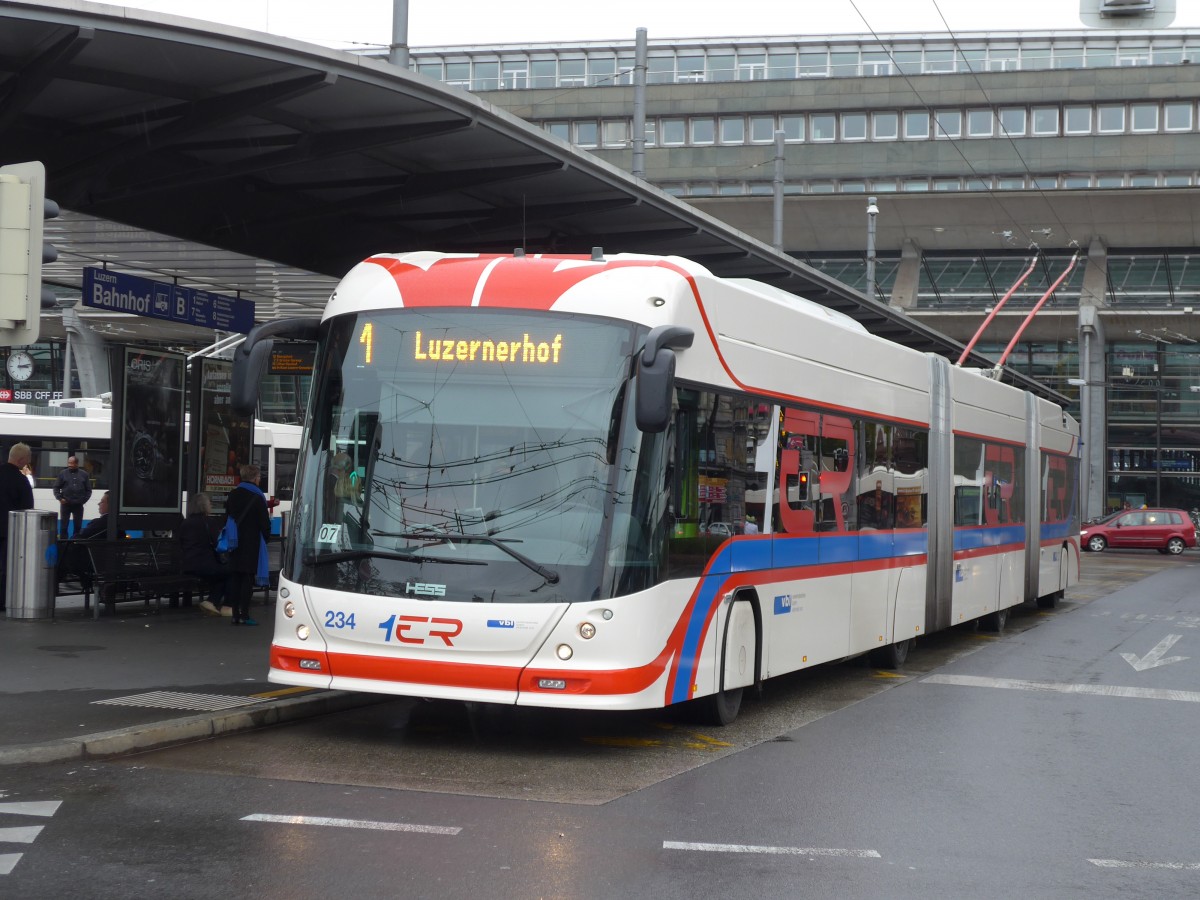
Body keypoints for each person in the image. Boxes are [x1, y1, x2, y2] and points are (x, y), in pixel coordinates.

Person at [224, 464, 271, 626]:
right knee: (247, 579)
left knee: (236, 578)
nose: (259, 480)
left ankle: (235, 614)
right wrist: (266, 537)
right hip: (251, 543)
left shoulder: (233, 494)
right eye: (259, 477)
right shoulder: (257, 497)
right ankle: (245, 614)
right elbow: (264, 523)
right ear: (255, 478)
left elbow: (228, 516)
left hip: (234, 541)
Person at [179, 493, 232, 617]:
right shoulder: (209, 522)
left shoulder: (185, 523)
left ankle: (212, 602)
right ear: (204, 506)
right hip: (205, 565)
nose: (211, 505)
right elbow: (217, 543)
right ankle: (224, 605)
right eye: (209, 503)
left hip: (188, 565)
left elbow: (180, 543)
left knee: (221, 576)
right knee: (230, 573)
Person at [0, 443, 35, 613]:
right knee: (6, 567)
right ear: (22, 459)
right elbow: (27, 509)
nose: (28, 462)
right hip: (9, 532)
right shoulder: (21, 481)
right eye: (28, 459)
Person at [52, 455, 92, 540]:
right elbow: (56, 487)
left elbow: (88, 490)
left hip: (78, 505)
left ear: (77, 464)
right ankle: (63, 544)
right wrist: (60, 498)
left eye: (72, 463)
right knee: (63, 527)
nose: (69, 465)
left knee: (78, 527)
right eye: (69, 463)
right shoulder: (62, 473)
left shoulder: (84, 474)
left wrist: (83, 500)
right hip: (65, 504)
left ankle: (75, 545)